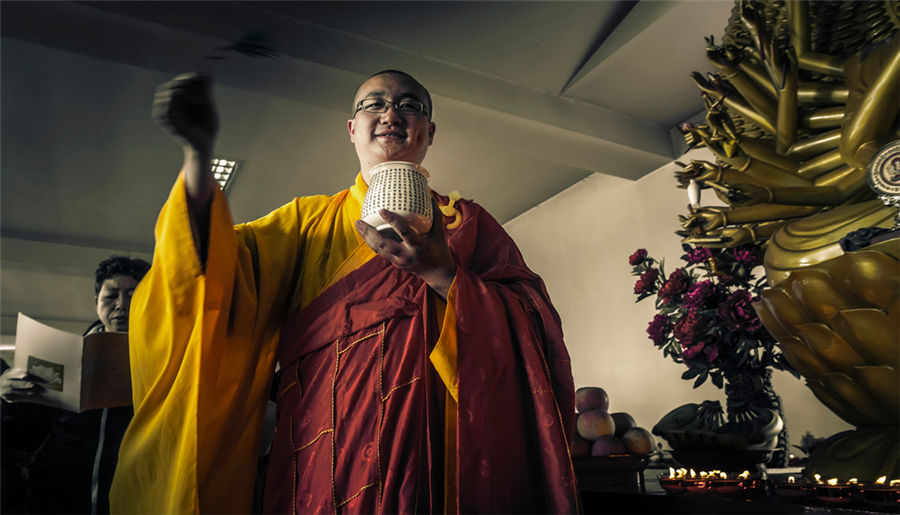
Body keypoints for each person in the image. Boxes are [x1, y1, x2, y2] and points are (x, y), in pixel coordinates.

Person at [110, 70, 579, 514]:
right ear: (353, 129)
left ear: (429, 133)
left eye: (408, 106)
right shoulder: (305, 224)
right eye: (375, 104)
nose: (391, 114)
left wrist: (444, 274)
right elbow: (212, 271)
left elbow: (532, 324)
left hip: (432, 442)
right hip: (321, 440)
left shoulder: (467, 222)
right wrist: (198, 157)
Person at [0, 256, 151, 514]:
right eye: (111, 295)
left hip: (135, 498)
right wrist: (6, 396)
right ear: (96, 303)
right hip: (60, 501)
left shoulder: (163, 361)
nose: (121, 305)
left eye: (133, 295)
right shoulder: (65, 356)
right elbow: (26, 434)